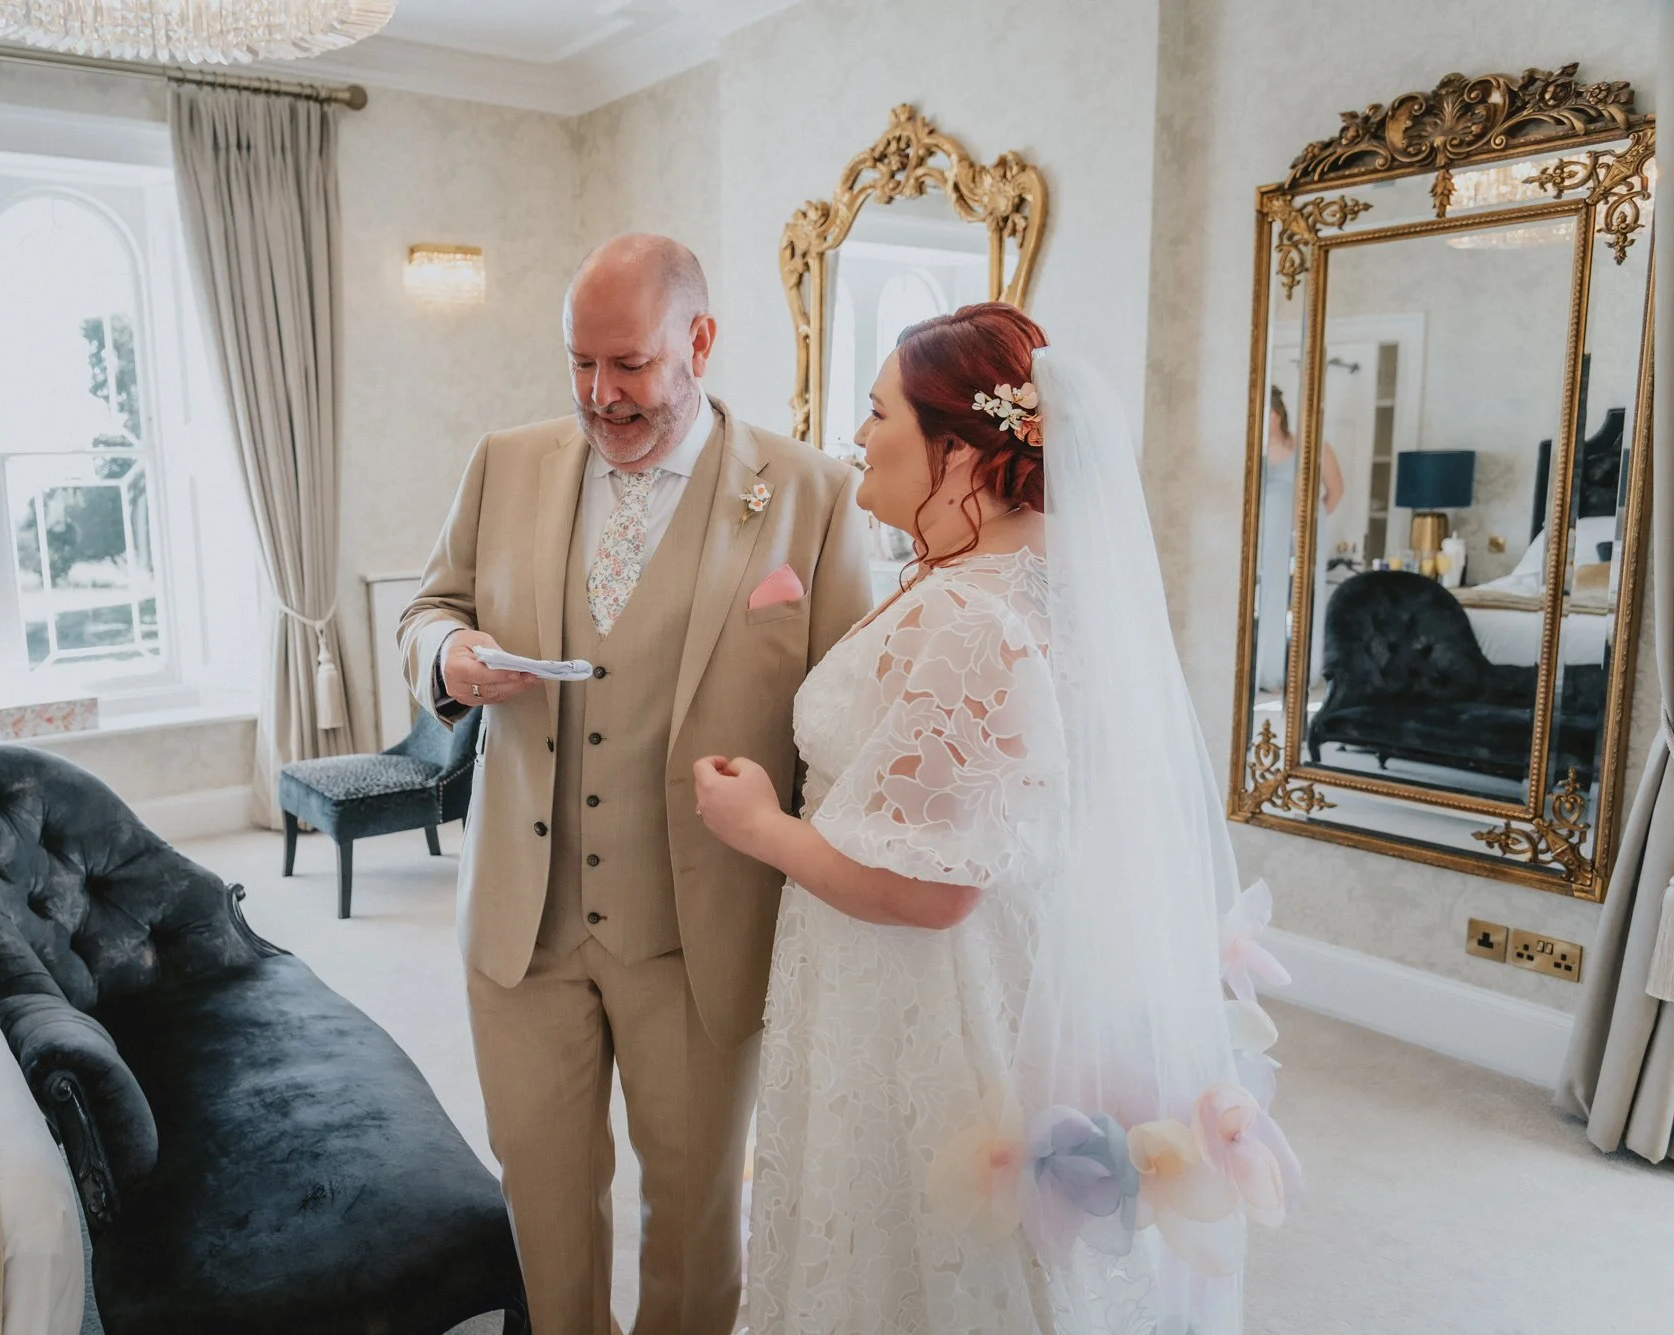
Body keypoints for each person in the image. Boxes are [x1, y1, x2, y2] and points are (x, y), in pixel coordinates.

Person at [695, 303, 1300, 1332]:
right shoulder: (1042, 585)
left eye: (878, 411)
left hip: (918, 994)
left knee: (914, 1257)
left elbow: (928, 890)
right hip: (1008, 963)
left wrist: (757, 823)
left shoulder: (972, 617)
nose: (855, 434)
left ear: (962, 449)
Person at [399, 234, 874, 1335]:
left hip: (700, 931)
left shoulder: (810, 493)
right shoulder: (504, 462)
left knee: (697, 1214)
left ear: (699, 341)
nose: (599, 395)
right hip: (524, 922)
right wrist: (448, 658)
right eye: (579, 364)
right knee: (544, 1201)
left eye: (628, 365)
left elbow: (846, 717)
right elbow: (429, 607)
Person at [1255, 384, 1344, 693]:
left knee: (1306, 596)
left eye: (1265, 413)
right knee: (1270, 598)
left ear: (1278, 414)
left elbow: (1335, 491)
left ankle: (1304, 671)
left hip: (1305, 533)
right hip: (1268, 535)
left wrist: (1310, 524)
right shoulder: (1256, 450)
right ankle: (1268, 670)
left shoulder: (1313, 446)